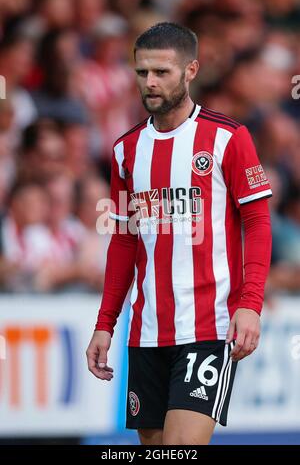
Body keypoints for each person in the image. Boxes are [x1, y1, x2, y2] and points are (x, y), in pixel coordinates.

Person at [86, 22, 272, 445]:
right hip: (146, 331)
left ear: (191, 70)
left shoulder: (228, 138)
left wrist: (251, 304)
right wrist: (105, 324)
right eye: (142, 72)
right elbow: (124, 240)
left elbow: (258, 223)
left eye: (161, 72)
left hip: (209, 328)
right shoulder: (125, 151)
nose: (149, 82)